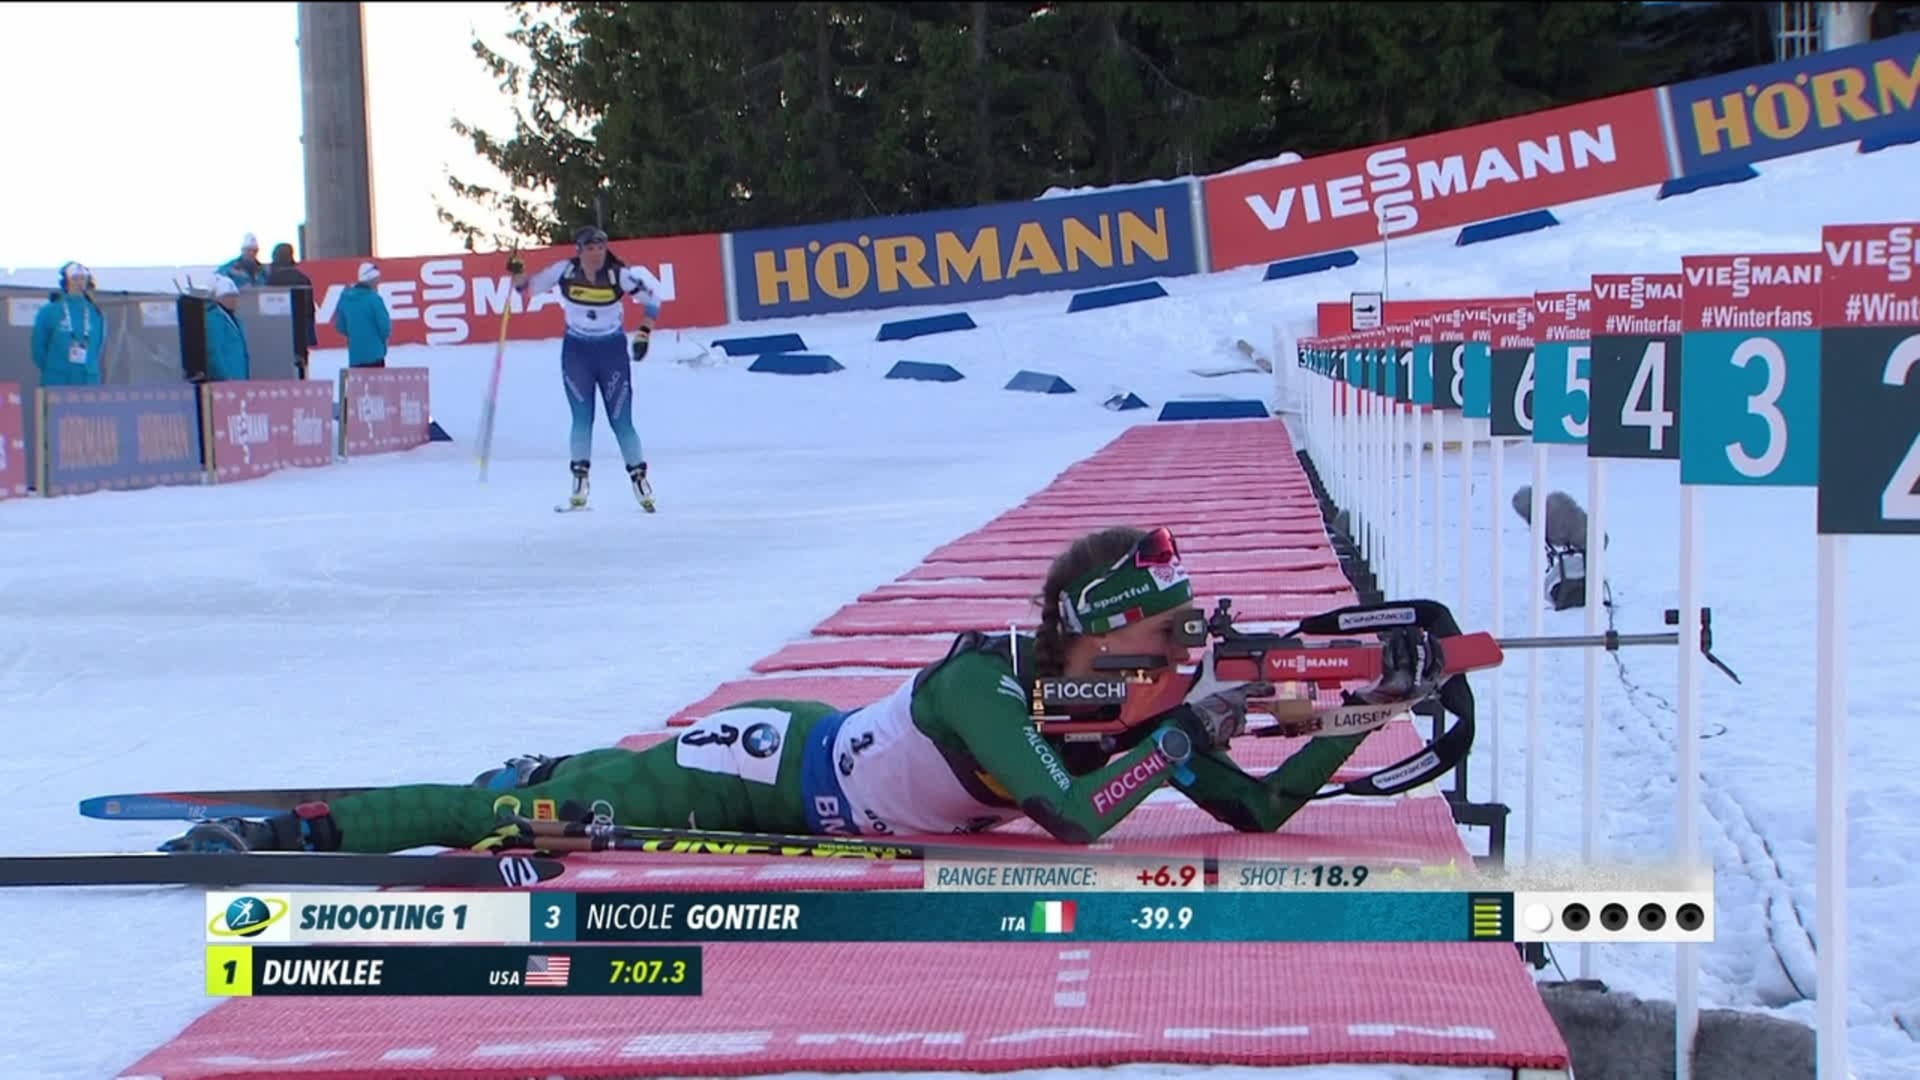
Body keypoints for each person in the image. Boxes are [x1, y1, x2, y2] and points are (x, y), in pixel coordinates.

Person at [160, 526, 1446, 856]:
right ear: (1102, 638)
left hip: (829, 767)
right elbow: (1075, 820)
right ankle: (293, 831)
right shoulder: (982, 684)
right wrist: (1188, 732)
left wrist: (1361, 713)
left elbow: (1261, 811)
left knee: (558, 798)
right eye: (1167, 634)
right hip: (763, 774)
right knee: (538, 817)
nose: (1188, 649)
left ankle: (537, 772)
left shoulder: (1134, 708)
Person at [507, 226, 660, 511]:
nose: (596, 254)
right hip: (577, 353)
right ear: (579, 251)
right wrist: (517, 272)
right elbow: (525, 288)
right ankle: (579, 482)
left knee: (621, 420)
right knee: (581, 418)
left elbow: (652, 300)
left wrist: (644, 333)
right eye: (590, 249)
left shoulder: (618, 275)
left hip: (611, 353)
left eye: (600, 248)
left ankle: (640, 480)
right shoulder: (564, 271)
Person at [31, 262, 105, 386]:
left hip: (87, 380)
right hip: (57, 380)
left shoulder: (95, 312)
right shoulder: (49, 311)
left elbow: (97, 348)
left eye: (83, 278)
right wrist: (54, 370)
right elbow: (38, 348)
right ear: (66, 281)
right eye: (75, 278)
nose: (79, 282)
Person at [265, 243, 318, 379]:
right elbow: (310, 310)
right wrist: (310, 336)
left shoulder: (271, 280)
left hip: (277, 335)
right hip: (300, 335)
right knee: (300, 372)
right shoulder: (303, 278)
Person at [331, 262, 391, 369]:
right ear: (370, 280)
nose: (378, 282)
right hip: (375, 355)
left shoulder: (345, 299)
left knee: (357, 380)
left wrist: (355, 334)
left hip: (355, 357)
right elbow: (385, 327)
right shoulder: (374, 299)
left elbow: (340, 326)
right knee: (375, 380)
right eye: (376, 279)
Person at [201, 276, 251, 382]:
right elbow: (213, 352)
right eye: (228, 296)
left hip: (240, 378)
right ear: (217, 298)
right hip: (226, 381)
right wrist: (224, 377)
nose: (234, 300)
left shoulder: (236, 319)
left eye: (235, 296)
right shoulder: (213, 319)